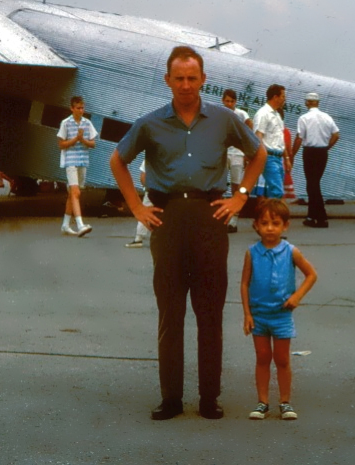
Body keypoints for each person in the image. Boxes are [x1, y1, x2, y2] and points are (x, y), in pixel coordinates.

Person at [109, 45, 266, 421]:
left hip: (210, 217)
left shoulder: (224, 119)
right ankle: (171, 398)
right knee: (171, 311)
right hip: (168, 220)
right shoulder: (150, 124)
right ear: (167, 80)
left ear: (203, 79)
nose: (185, 84)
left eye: (192, 78)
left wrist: (241, 196)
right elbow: (118, 160)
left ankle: (210, 397)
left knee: (210, 312)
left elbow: (258, 152)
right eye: (178, 78)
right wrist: (136, 208)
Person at [240, 199, 318, 420]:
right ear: (256, 225)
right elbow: (244, 284)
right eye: (264, 223)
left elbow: (311, 275)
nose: (270, 228)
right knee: (262, 358)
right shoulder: (252, 253)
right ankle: (262, 402)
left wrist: (297, 296)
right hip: (259, 316)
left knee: (282, 359)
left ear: (285, 226)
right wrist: (247, 314)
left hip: (282, 316)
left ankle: (285, 402)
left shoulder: (291, 252)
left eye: (275, 223)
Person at [291, 92, 340, 228]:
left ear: (307, 102)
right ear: (317, 103)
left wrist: (292, 154)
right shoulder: (327, 117)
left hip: (310, 152)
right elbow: (336, 135)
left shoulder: (304, 118)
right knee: (314, 183)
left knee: (312, 184)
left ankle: (321, 217)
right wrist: (327, 147)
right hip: (322, 152)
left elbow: (299, 138)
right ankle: (312, 216)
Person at [57, 96, 98, 237]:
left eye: (82, 108)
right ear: (72, 108)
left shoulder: (87, 123)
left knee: (74, 193)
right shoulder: (65, 123)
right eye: (78, 108)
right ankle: (80, 225)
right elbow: (61, 144)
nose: (81, 110)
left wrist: (82, 139)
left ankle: (65, 225)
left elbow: (93, 143)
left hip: (83, 161)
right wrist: (76, 139)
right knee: (75, 192)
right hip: (70, 161)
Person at [222, 89, 254, 233]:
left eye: (232, 101)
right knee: (220, 185)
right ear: (223, 100)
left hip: (237, 154)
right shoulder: (219, 113)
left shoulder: (241, 114)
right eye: (227, 101)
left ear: (235, 102)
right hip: (223, 153)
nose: (229, 104)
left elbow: (250, 127)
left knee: (236, 186)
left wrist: (247, 150)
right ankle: (222, 217)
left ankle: (233, 220)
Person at [253, 84, 289, 199]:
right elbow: (258, 136)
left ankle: (269, 210)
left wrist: (286, 158)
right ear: (275, 97)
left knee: (273, 192)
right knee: (277, 192)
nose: (284, 99)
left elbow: (280, 139)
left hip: (278, 158)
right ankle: (275, 211)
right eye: (283, 96)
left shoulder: (277, 115)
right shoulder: (263, 114)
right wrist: (262, 156)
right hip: (269, 157)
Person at [124, 160, 153, 248]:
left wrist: (146, 188)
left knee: (145, 212)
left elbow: (143, 177)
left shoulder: (148, 159)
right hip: (168, 190)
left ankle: (138, 238)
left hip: (153, 190)